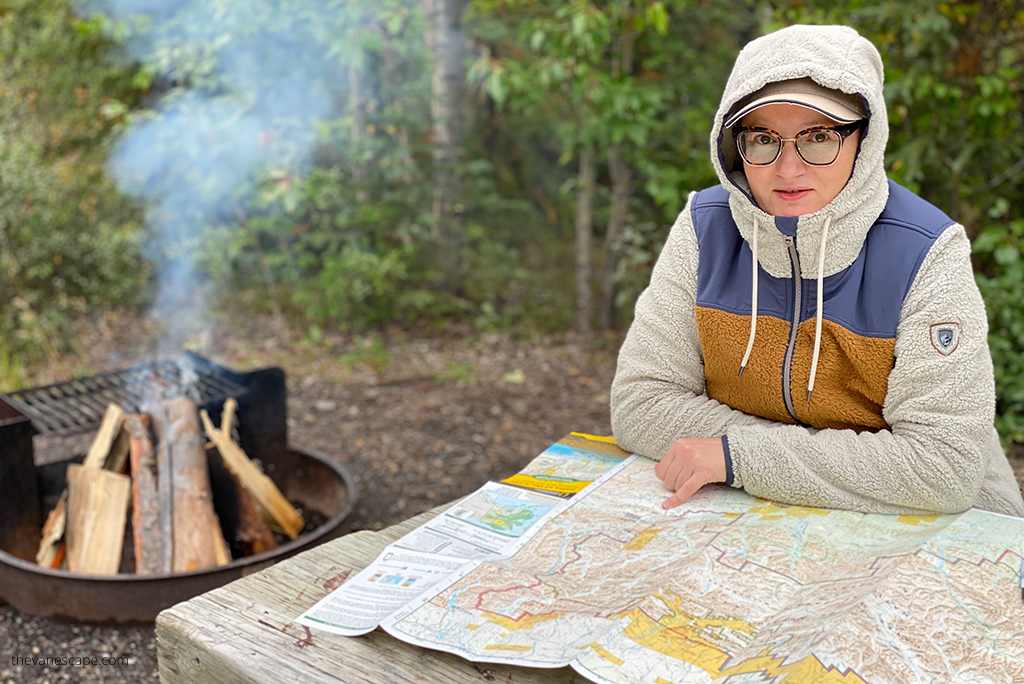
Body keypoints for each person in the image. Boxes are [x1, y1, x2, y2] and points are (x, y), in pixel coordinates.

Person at [609, 24, 1024, 517]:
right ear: (733, 143)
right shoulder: (705, 228)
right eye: (763, 138)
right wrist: (808, 462)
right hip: (764, 516)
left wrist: (738, 454)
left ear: (864, 139)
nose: (788, 169)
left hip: (946, 531)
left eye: (820, 136)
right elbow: (640, 403)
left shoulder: (927, 251)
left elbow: (944, 466)